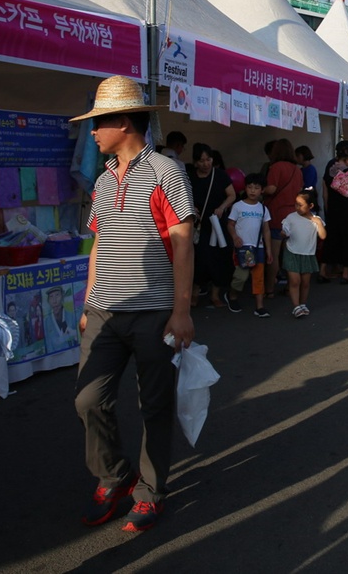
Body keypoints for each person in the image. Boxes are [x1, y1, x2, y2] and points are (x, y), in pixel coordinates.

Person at [71, 76, 195, 534]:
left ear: (123, 122)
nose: (93, 133)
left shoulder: (166, 171)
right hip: (104, 311)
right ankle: (115, 475)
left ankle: (149, 490)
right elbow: (99, 244)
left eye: (98, 123)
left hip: (154, 310)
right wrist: (89, 301)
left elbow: (183, 241)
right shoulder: (104, 179)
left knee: (154, 406)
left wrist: (181, 310)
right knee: (88, 400)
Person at [188, 143, 236, 310]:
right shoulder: (190, 177)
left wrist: (222, 207)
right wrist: (191, 207)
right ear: (195, 162)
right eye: (201, 161)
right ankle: (195, 292)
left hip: (217, 224)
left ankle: (215, 294)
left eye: (208, 159)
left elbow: (232, 195)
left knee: (219, 257)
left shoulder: (220, 175)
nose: (205, 164)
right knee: (199, 258)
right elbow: (182, 197)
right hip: (198, 225)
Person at [261, 139, 303, 297]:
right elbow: (299, 190)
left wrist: (260, 190)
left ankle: (269, 289)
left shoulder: (275, 167)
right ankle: (290, 287)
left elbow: (271, 189)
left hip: (277, 214)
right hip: (293, 215)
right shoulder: (297, 170)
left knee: (273, 254)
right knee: (290, 254)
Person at [228, 173, 272, 318]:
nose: (253, 191)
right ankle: (232, 296)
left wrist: (269, 251)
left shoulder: (263, 209)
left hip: (258, 248)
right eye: (250, 187)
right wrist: (235, 237)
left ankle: (260, 306)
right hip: (243, 248)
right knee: (241, 276)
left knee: (258, 277)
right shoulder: (237, 206)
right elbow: (230, 224)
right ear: (245, 188)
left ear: (262, 190)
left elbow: (266, 230)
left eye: (256, 188)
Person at [321, 145, 348, 285]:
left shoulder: (330, 166)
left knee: (331, 239)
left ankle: (323, 270)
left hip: (332, 207)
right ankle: (345, 274)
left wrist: (327, 206)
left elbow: (324, 188)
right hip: (346, 209)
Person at [280, 191, 325, 318]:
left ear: (310, 206)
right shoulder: (291, 217)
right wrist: (283, 234)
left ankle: (303, 304)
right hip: (292, 251)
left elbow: (323, 235)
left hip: (308, 254)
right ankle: (296, 307)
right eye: (296, 204)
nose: (297, 207)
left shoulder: (316, 220)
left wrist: (318, 223)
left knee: (305, 283)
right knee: (295, 281)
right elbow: (284, 231)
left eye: (301, 205)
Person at [43, 285, 78, 354]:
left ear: (62, 297)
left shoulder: (71, 316)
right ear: (48, 301)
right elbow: (49, 345)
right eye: (51, 297)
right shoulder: (46, 322)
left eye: (57, 295)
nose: (54, 301)